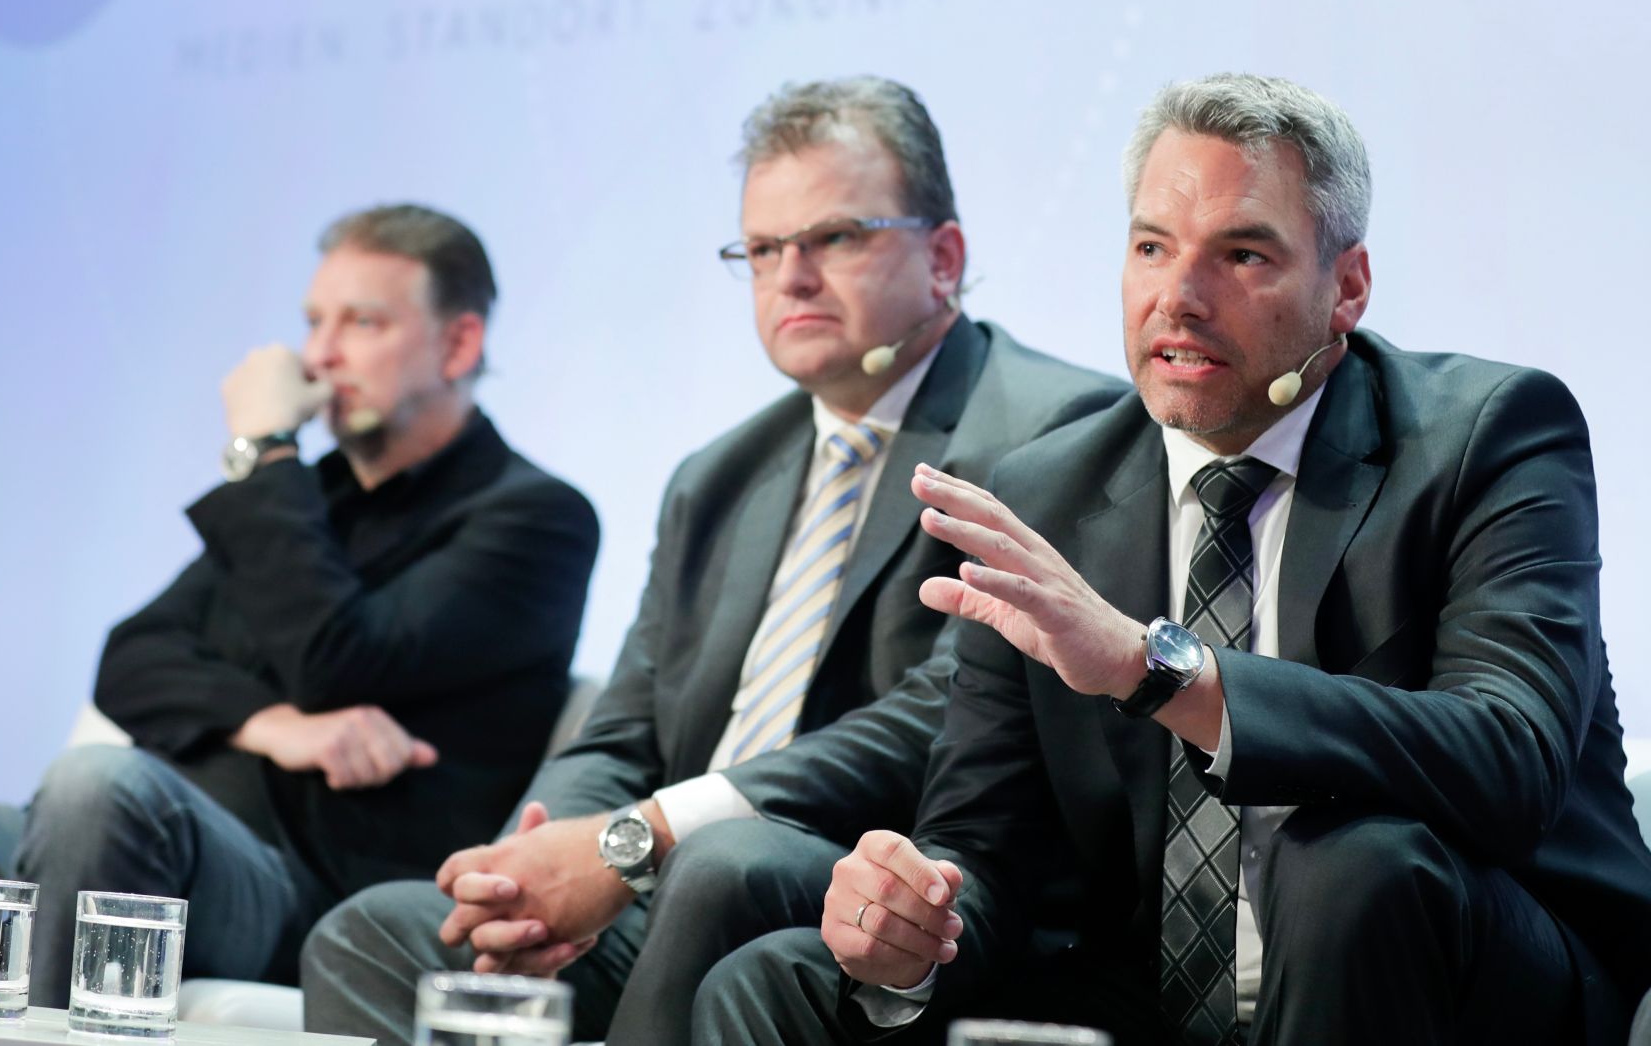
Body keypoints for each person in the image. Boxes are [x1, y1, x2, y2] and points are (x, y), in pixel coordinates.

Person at [697, 74, 1651, 1045]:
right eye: (1150, 246)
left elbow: (1509, 759)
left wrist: (1159, 672)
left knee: (1347, 863)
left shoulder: (1485, 438)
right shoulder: (1045, 492)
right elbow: (985, 847)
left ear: (1346, 286)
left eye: (1239, 254)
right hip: (1147, 990)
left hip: (1466, 965)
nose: (1178, 297)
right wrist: (912, 926)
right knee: (774, 980)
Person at [301, 77, 1126, 1046]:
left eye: (836, 238)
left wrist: (638, 838)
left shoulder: (1051, 436)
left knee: (720, 862)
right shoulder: (716, 475)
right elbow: (622, 726)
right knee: (370, 934)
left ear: (942, 256)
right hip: (668, 879)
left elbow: (942, 709)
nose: (793, 277)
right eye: (764, 250)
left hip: (876, 897)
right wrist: (537, 863)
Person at [0, 203, 600, 1007]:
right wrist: (278, 728)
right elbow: (132, 659)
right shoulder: (306, 501)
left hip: (298, 892)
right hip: (105, 847)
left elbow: (338, 658)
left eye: (362, 322)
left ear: (459, 343)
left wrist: (263, 451)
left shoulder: (533, 520)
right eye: (313, 322)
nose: (321, 355)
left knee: (103, 784)